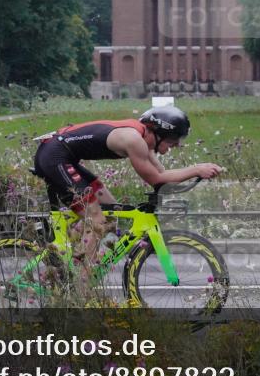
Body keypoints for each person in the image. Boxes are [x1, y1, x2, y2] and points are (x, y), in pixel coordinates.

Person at [31, 105, 222, 268]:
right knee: (97, 219)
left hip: (61, 155)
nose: (175, 146)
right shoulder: (134, 140)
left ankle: (60, 252)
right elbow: (157, 179)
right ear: (159, 134)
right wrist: (196, 169)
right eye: (172, 142)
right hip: (54, 157)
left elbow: (163, 177)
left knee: (112, 217)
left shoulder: (144, 139)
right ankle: (83, 288)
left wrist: (194, 173)